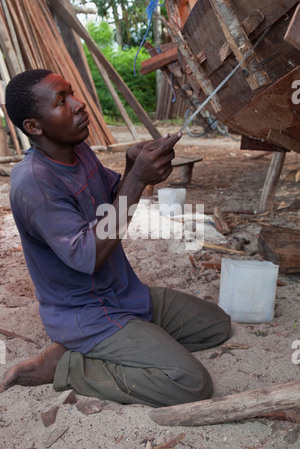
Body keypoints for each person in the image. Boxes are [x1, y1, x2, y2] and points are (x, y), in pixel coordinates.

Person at [0, 69, 231, 407]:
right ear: (34, 126)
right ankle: (67, 363)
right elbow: (87, 256)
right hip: (87, 314)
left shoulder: (77, 150)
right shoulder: (34, 182)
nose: (79, 105)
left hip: (124, 296)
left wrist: (131, 165)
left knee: (216, 326)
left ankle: (136, 342)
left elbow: (112, 199)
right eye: (62, 102)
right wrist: (137, 181)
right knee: (190, 383)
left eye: (72, 93)